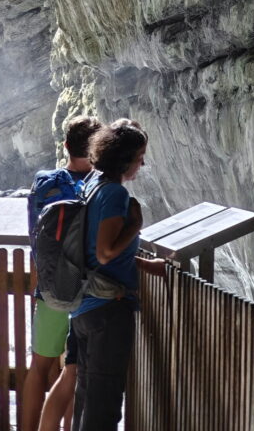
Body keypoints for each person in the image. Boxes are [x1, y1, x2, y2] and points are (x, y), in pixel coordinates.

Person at [70, 118, 165, 431]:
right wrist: (135, 225)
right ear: (124, 158)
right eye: (139, 157)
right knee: (104, 405)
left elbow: (98, 253)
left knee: (87, 396)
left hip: (85, 306)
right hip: (107, 310)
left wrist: (144, 263)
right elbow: (105, 252)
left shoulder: (93, 184)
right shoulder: (114, 194)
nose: (142, 163)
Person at [22, 115, 102, 431]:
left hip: (51, 286)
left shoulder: (45, 181)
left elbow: (33, 230)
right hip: (87, 290)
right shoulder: (98, 187)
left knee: (39, 367)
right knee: (75, 370)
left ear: (66, 145)